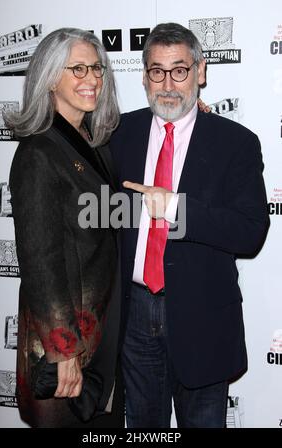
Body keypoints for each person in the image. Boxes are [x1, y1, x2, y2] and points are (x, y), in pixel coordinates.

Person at [109, 22, 269, 428]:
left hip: (204, 318)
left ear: (201, 71)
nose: (167, 84)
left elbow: (250, 232)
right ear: (144, 76)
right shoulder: (118, 134)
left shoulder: (236, 143)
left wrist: (179, 210)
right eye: (157, 71)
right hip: (134, 317)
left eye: (179, 70)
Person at [6, 28, 124, 428]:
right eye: (77, 69)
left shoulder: (94, 144)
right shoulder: (38, 152)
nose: (91, 79)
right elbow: (40, 262)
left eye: (96, 68)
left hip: (102, 337)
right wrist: (64, 351)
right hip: (66, 350)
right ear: (51, 76)